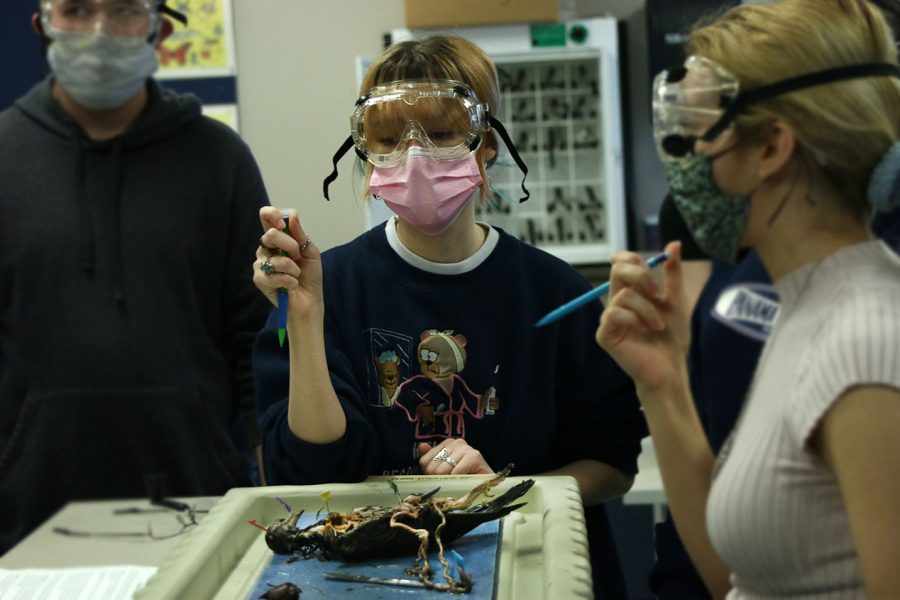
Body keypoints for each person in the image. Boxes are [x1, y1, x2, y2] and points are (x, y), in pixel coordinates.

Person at [252, 35, 648, 597]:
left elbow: (612, 465)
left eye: (440, 135)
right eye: (389, 139)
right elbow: (306, 475)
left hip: (530, 573)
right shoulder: (326, 287)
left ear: (485, 146)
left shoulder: (554, 293)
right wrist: (307, 323)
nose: (415, 158)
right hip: (361, 581)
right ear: (364, 152)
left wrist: (501, 493)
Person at [596, 0, 900, 597]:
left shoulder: (867, 338)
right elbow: (741, 578)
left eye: (701, 121)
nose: (686, 154)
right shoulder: (804, 303)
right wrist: (663, 386)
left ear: (771, 149)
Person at [0, 0, 271, 553]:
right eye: (76, 9)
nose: (100, 31)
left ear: (158, 27)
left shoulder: (219, 160)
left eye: (124, 10)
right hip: (26, 515)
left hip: (201, 503)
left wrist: (275, 493)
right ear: (42, 25)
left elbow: (257, 344)